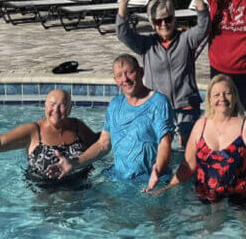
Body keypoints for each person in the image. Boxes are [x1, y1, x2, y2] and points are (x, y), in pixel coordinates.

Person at [50, 54, 174, 192]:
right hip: (119, 180)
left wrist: (157, 170)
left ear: (141, 72)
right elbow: (103, 145)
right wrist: (74, 163)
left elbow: (165, 143)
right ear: (115, 80)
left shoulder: (158, 102)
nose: (125, 79)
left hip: (151, 182)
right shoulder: (115, 104)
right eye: (119, 75)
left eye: (130, 72)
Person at [116, 0, 209, 149]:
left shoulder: (186, 40)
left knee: (187, 149)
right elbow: (122, 33)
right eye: (158, 21)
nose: (164, 24)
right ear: (152, 23)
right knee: (159, 150)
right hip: (157, 107)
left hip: (186, 107)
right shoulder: (146, 45)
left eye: (168, 19)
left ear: (174, 19)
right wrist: (123, 4)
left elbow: (204, 26)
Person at [153, 74, 246, 207]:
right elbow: (188, 166)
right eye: (216, 95)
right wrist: (169, 187)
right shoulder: (200, 126)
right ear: (210, 100)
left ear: (235, 97)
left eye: (227, 93)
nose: (222, 98)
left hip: (242, 196)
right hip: (206, 196)